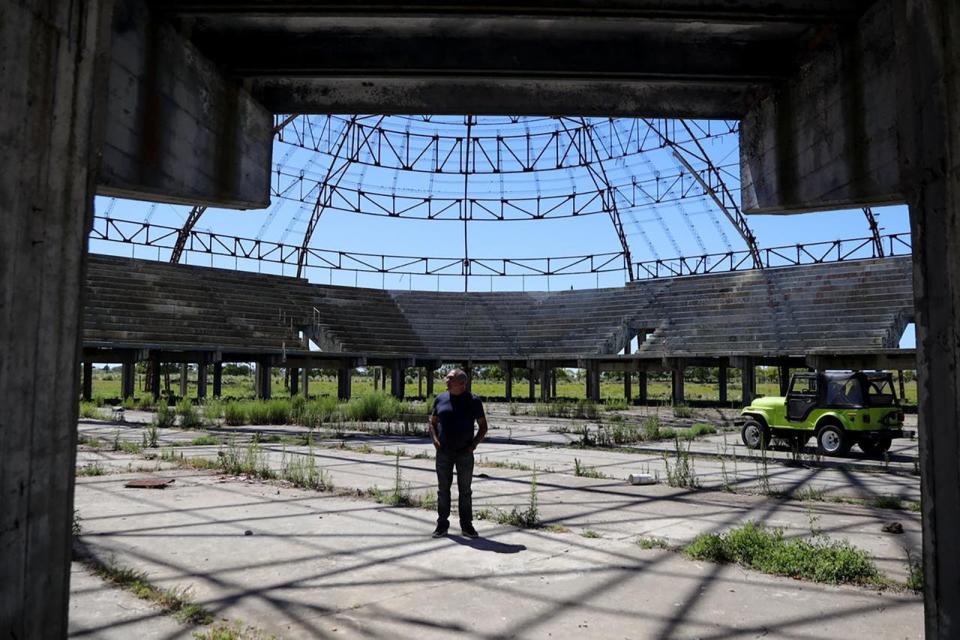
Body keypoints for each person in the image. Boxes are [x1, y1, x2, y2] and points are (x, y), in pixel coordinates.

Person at [429, 368, 488, 538]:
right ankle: (442, 525)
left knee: (465, 490)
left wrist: (473, 445)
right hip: (444, 452)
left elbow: (483, 426)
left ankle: (466, 526)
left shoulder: (473, 401)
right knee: (443, 490)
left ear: (462, 384)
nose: (446, 381)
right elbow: (432, 423)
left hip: (464, 453)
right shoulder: (440, 399)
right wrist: (435, 440)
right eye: (447, 378)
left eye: (450, 378)